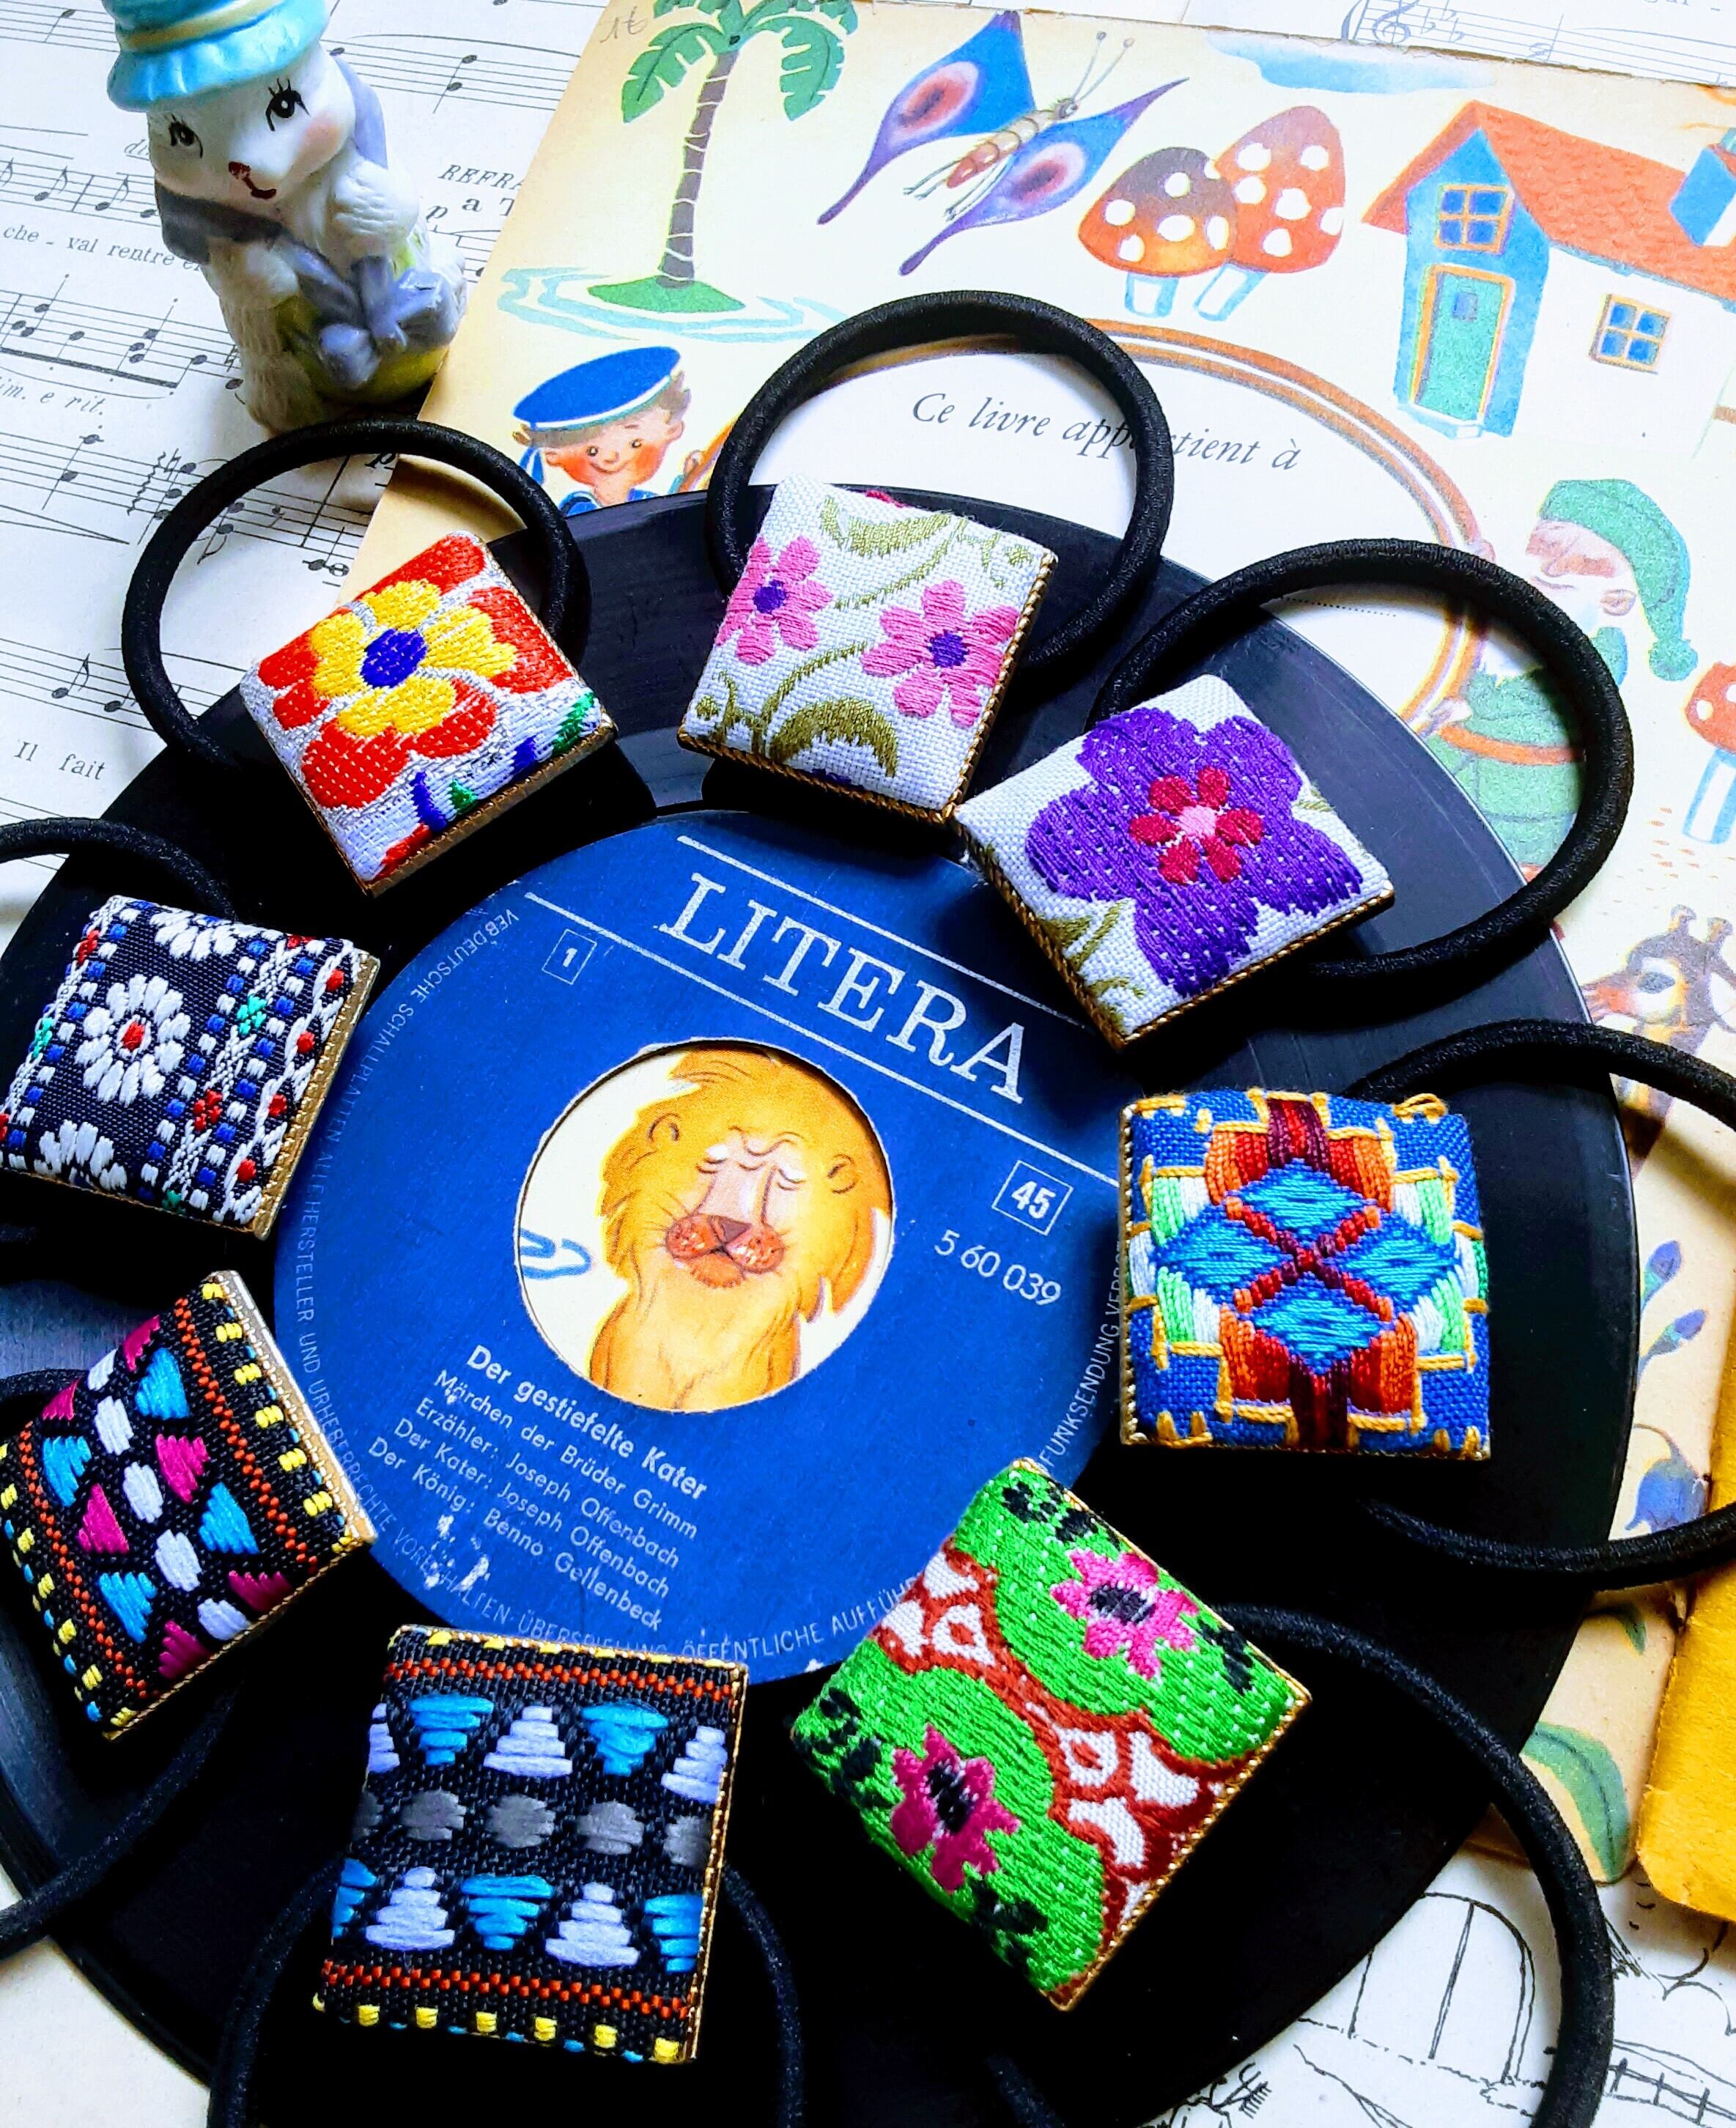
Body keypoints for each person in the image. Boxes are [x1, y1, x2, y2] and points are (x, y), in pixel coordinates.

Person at [1426, 479, 1696, 871]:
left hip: (1519, 809)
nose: (1552, 567)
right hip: (1451, 780)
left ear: (1616, 601)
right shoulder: (1488, 627)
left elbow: (1533, 721)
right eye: (1546, 546)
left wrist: (1464, 710)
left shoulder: (1594, 665)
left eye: (1585, 564)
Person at [511, 345, 691, 514]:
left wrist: (686, 481)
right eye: (592, 451)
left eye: (635, 443)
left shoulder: (645, 498)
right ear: (554, 455)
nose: (611, 458)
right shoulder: (579, 510)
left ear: (672, 430)